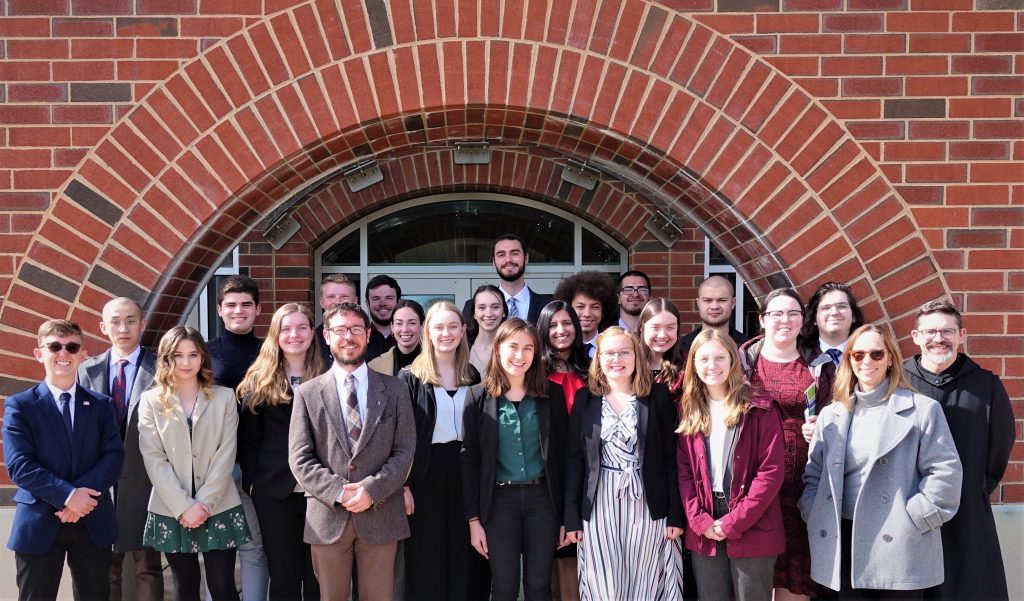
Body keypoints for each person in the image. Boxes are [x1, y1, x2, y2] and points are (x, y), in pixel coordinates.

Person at [800, 324, 963, 598]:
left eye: (877, 354)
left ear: (890, 359)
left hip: (899, 541)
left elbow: (945, 472)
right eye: (858, 354)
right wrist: (812, 511)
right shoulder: (832, 415)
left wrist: (915, 518)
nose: (866, 361)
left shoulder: (922, 410)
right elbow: (814, 474)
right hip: (841, 541)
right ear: (849, 360)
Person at [288, 302, 415, 601]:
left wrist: (372, 489)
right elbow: (300, 457)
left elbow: (405, 449)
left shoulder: (395, 390)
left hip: (381, 513)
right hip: (328, 517)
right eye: (340, 330)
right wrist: (340, 491)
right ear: (327, 336)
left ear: (368, 335)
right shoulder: (307, 393)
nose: (349, 337)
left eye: (356, 329)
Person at [5, 319, 125, 601]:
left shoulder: (101, 404)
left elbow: (114, 457)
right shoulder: (20, 405)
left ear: (83, 355)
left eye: (72, 347)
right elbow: (20, 465)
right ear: (39, 353)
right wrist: (69, 496)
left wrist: (81, 500)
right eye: (54, 347)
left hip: (92, 520)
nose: (63, 354)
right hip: (39, 520)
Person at [904, 300, 1014, 601]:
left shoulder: (986, 385)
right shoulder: (897, 383)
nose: (938, 338)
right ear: (915, 336)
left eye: (947, 331)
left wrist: (972, 489)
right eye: (930, 332)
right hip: (906, 509)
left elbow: (999, 446)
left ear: (961, 335)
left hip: (966, 510)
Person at [565, 326, 684, 601]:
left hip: (647, 502)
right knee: (604, 585)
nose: (616, 360)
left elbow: (671, 458)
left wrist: (675, 512)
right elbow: (574, 460)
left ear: (636, 357)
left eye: (624, 353)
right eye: (609, 353)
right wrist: (571, 516)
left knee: (647, 583)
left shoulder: (658, 396)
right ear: (599, 358)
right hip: (599, 505)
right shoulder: (585, 398)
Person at [138, 326, 252, 601]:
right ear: (167, 358)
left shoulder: (224, 397)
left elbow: (226, 453)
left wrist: (204, 503)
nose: (186, 363)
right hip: (171, 507)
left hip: (219, 504)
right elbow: (154, 458)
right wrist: (184, 506)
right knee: (184, 587)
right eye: (178, 355)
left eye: (193, 355)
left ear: (203, 357)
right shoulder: (151, 401)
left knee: (222, 585)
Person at [461, 318, 569, 601]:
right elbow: (470, 461)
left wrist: (566, 517)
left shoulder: (551, 395)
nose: (519, 356)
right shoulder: (477, 396)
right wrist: (473, 521)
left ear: (536, 353)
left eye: (528, 348)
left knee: (539, 585)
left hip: (543, 501)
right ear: (497, 349)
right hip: (499, 503)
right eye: (513, 347)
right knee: (504, 586)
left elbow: (566, 457)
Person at [676, 330, 785, 601]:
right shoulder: (688, 409)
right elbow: (684, 472)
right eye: (704, 359)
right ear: (693, 365)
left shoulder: (759, 407)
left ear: (733, 360)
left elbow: (770, 473)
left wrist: (733, 522)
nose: (711, 366)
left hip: (753, 521)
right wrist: (700, 521)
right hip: (705, 522)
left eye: (719, 357)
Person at [737, 288, 827, 601]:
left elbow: (837, 416)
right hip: (756, 482)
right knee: (756, 574)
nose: (784, 320)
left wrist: (822, 429)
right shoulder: (743, 362)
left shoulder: (819, 364)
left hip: (802, 480)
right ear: (762, 320)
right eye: (776, 313)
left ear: (803, 321)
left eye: (793, 313)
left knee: (795, 574)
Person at [237, 304, 326, 601]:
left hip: (321, 490)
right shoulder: (259, 378)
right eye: (286, 329)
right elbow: (249, 439)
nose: (294, 335)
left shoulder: (329, 371)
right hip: (274, 490)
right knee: (284, 576)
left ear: (312, 333)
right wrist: (252, 482)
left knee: (318, 576)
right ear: (275, 335)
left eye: (302, 327)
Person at [78, 297, 163, 601]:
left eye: (130, 320)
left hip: (147, 481)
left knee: (148, 566)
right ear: (103, 327)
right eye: (115, 321)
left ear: (142, 325)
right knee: (105, 566)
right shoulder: (86, 370)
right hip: (100, 481)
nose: (123, 328)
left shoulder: (161, 368)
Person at [397, 301, 481, 600]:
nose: (446, 333)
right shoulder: (409, 378)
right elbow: (400, 437)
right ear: (427, 333)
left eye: (453, 326)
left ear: (462, 331)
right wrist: (403, 485)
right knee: (425, 555)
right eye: (439, 327)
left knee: (461, 553)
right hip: (424, 476)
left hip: (464, 473)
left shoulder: (472, 375)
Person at [205, 274, 269, 600]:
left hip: (257, 465)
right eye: (231, 305)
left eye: (246, 304)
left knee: (254, 548)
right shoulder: (204, 353)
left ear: (258, 308)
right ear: (219, 310)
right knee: (219, 553)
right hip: (216, 464)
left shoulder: (270, 353)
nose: (238, 311)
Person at [536, 300, 589, 601]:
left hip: (586, 470)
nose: (561, 330)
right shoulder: (535, 373)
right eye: (553, 325)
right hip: (549, 473)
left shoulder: (591, 368)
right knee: (557, 555)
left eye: (567, 323)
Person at [462, 234, 552, 325]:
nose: (508, 259)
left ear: (526, 259)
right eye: (501, 254)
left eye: (514, 253)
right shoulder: (471, 307)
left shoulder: (548, 306)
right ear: (494, 262)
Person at [679, 275, 749, 358]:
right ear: (698, 303)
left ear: (733, 303)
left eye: (722, 300)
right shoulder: (680, 348)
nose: (714, 306)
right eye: (707, 300)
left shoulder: (748, 347)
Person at [553, 270, 618, 358]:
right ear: (568, 309)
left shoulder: (614, 347)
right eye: (580, 307)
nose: (587, 314)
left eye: (595, 307)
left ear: (603, 311)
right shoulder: (556, 351)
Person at [799, 281, 865, 365]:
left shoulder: (870, 352)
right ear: (814, 319)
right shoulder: (801, 359)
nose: (834, 312)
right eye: (826, 308)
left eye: (841, 306)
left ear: (854, 316)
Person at [637, 298, 687, 393]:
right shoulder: (630, 365)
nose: (662, 335)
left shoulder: (688, 367)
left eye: (670, 327)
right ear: (641, 328)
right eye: (655, 327)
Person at [368, 299, 425, 376]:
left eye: (412, 323)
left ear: (422, 326)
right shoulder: (375, 366)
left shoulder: (436, 362)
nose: (405, 329)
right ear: (392, 327)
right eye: (399, 323)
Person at [315, 273, 359, 366]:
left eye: (344, 297)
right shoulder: (312, 340)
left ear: (355, 301)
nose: (338, 302)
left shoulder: (371, 339)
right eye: (331, 297)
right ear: (322, 302)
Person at [468, 284, 508, 374]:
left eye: (495, 307)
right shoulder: (461, 347)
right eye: (482, 307)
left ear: (504, 312)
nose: (489, 314)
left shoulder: (514, 347)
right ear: (474, 313)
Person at [365, 274, 401, 362]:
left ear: (399, 302)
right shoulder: (359, 338)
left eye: (389, 298)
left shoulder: (410, 338)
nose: (383, 303)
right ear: (367, 303)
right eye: (376, 298)